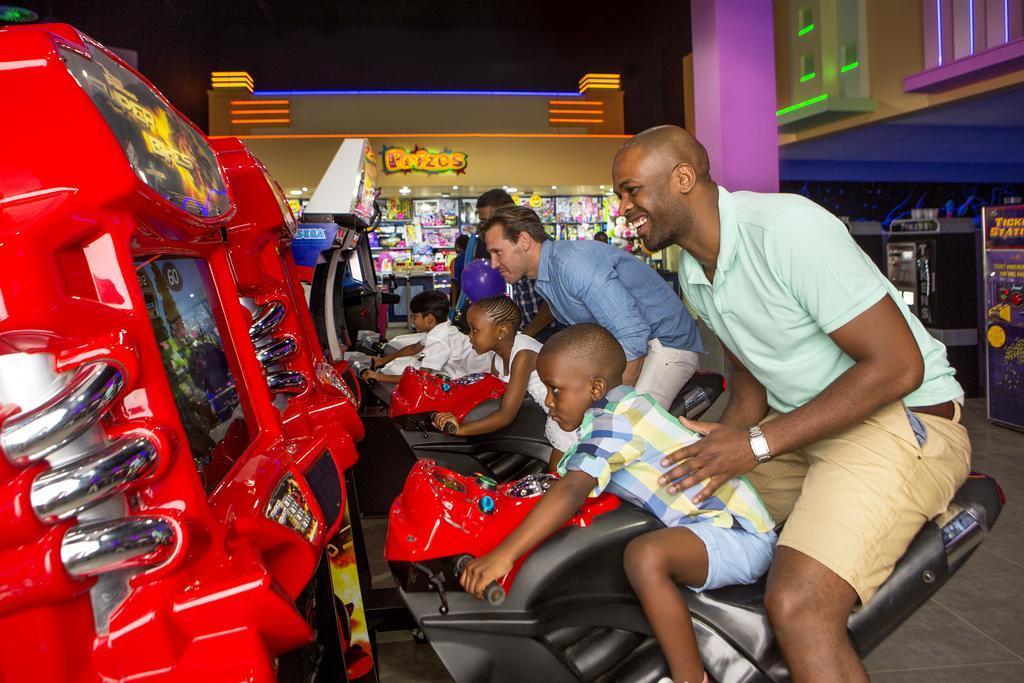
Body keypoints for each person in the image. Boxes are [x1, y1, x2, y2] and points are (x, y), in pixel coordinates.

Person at [611, 124, 970, 682]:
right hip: (809, 428)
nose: (623, 207)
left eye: (631, 190)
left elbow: (900, 367)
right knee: (668, 508)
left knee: (799, 606)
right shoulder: (692, 269)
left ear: (683, 178)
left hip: (902, 423)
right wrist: (720, 443)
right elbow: (752, 377)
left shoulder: (785, 229)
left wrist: (754, 445)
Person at [460, 324, 776, 683]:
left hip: (737, 534)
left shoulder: (616, 422)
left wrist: (505, 554)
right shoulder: (622, 407)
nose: (548, 401)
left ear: (595, 388)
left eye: (555, 390)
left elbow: (571, 491)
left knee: (644, 557)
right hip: (708, 525)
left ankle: (690, 679)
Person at [481, 205, 703, 459]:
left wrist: (607, 409)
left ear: (523, 241)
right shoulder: (547, 274)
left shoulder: (572, 265)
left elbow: (633, 337)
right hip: (628, 347)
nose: (493, 263)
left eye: (498, 252)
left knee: (619, 438)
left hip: (664, 344)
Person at [432, 296, 549, 436]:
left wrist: (461, 429)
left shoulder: (523, 356)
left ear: (501, 332)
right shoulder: (497, 358)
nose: (469, 336)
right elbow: (491, 397)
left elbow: (506, 415)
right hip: (530, 414)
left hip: (551, 418)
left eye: (475, 330)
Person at [475, 189, 560, 341]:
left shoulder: (540, 250)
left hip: (550, 333)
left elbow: (552, 304)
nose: (484, 227)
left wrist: (525, 337)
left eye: (487, 221)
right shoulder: (508, 249)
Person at [365, 290, 489, 383]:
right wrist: (383, 360)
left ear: (429, 319)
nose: (412, 320)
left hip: (478, 376)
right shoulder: (440, 329)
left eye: (415, 316)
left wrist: (379, 376)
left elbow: (421, 377)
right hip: (467, 368)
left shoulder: (439, 341)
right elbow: (414, 348)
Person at [449, 233, 470, 307]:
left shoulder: (456, 261)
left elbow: (454, 283)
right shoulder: (473, 257)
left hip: (461, 296)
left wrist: (453, 304)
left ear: (458, 246)